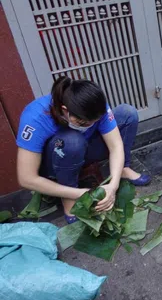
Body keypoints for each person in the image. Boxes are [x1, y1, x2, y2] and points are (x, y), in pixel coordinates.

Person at [16, 76, 151, 223]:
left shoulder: (95, 107)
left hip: (85, 148)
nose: (90, 125)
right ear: (65, 110)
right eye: (83, 122)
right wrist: (84, 194)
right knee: (72, 141)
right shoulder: (36, 117)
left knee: (127, 113)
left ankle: (122, 168)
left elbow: (116, 146)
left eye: (95, 122)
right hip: (55, 160)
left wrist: (113, 185)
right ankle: (68, 196)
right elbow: (26, 178)